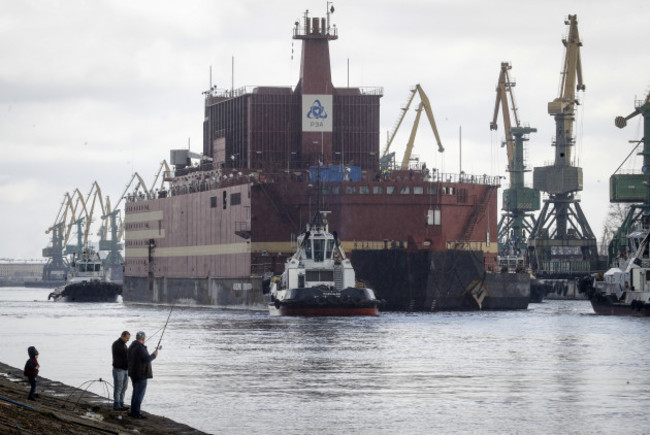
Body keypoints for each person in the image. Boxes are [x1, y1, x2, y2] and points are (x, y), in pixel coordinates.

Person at [127, 331, 158, 419]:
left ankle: (133, 412)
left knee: (135, 393)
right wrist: (154, 355)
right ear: (143, 339)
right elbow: (147, 358)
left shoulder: (131, 346)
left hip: (133, 373)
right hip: (140, 374)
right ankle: (136, 413)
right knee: (139, 394)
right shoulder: (140, 348)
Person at [112, 330, 131, 410]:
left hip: (125, 369)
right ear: (122, 336)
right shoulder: (116, 344)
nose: (128, 340)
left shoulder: (124, 345)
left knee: (124, 387)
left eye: (128, 338)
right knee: (118, 387)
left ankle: (121, 403)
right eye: (127, 338)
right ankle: (117, 404)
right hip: (118, 370)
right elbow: (123, 354)